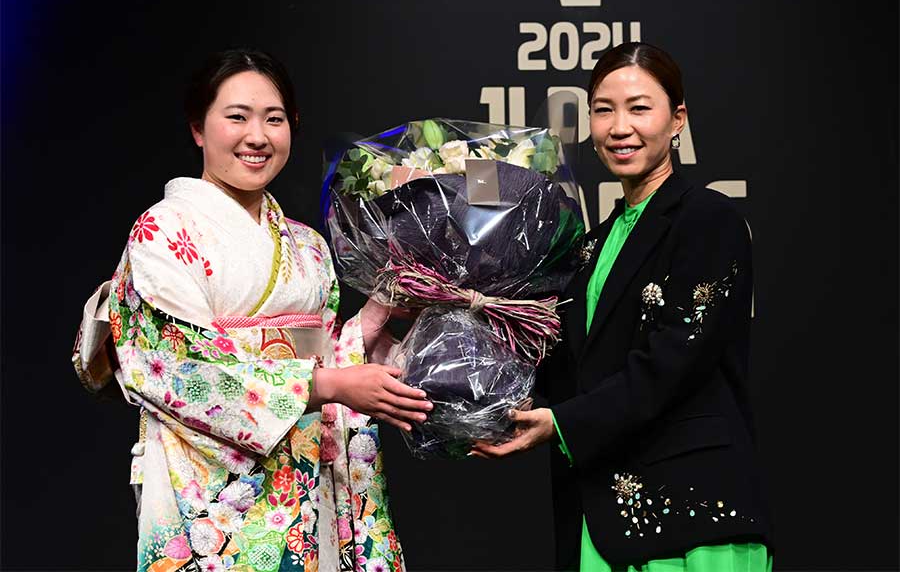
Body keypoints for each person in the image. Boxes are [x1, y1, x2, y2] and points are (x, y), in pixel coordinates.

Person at [72, 48, 430, 572]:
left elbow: (320, 356)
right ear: (199, 128)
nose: (257, 136)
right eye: (236, 117)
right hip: (208, 486)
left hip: (309, 474)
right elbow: (179, 365)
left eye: (274, 119)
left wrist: (368, 325)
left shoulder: (307, 245)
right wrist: (327, 386)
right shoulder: (164, 231)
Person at [472, 42, 773, 571]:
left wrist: (561, 425)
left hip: (689, 517)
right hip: (597, 513)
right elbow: (563, 367)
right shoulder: (589, 246)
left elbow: (673, 363)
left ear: (677, 119)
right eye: (603, 109)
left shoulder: (709, 220)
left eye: (639, 108)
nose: (618, 127)